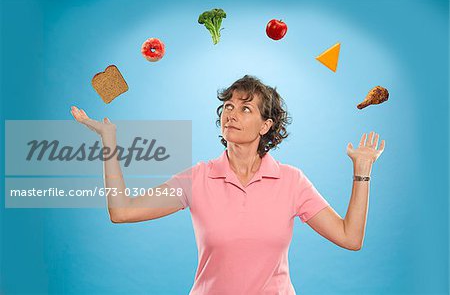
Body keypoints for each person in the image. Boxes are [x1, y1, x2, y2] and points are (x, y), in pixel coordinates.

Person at [70, 75, 385, 294]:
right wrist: (108, 142)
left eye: (245, 108)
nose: (231, 114)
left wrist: (362, 170)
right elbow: (122, 211)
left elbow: (350, 237)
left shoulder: (292, 181)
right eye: (228, 107)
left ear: (266, 125)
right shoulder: (198, 178)